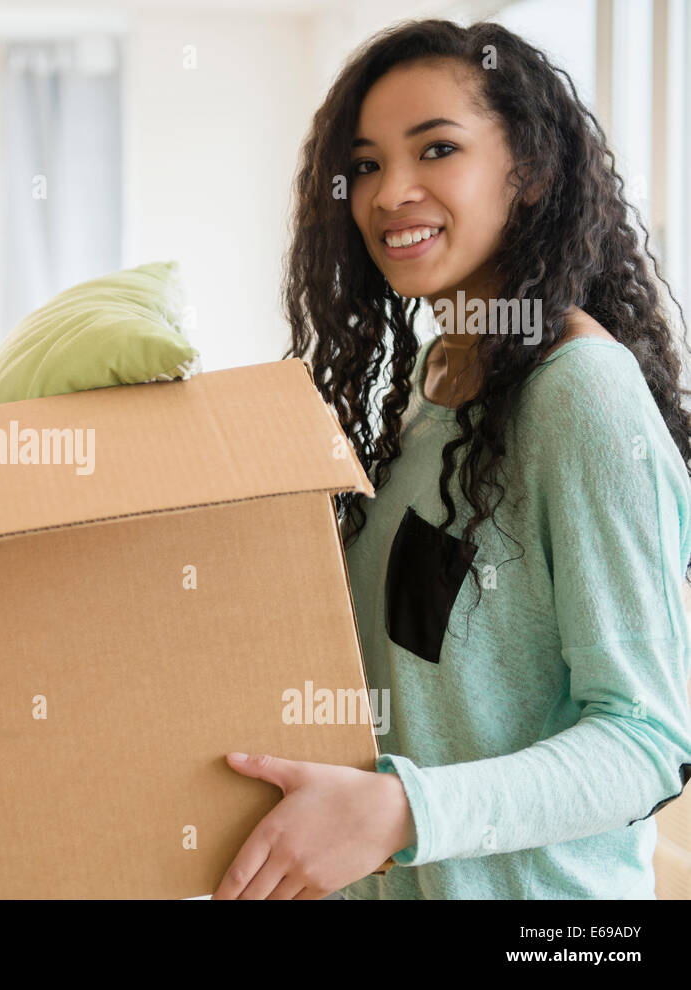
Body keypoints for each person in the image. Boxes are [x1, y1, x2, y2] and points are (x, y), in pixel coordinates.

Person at [213, 19, 691, 899]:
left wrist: (400, 813)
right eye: (364, 165)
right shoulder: (430, 382)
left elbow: (647, 741)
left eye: (437, 149)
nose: (391, 191)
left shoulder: (580, 394)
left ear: (533, 172)